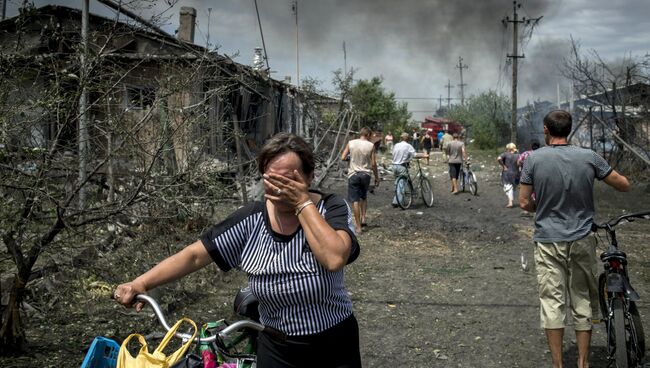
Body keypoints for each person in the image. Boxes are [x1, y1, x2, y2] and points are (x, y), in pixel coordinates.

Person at [113, 133, 362, 368]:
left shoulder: (331, 209)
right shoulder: (252, 219)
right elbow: (195, 254)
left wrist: (301, 202)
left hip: (333, 343)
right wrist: (141, 283)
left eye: (288, 181)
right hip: (276, 344)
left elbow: (333, 257)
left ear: (309, 177)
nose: (278, 189)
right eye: (271, 180)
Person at [519, 110, 630, 368]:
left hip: (548, 240)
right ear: (568, 130)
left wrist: (543, 207)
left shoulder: (533, 160)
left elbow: (524, 202)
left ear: (546, 129)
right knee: (582, 299)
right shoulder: (589, 156)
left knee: (552, 302)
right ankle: (583, 362)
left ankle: (558, 364)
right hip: (582, 238)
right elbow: (623, 184)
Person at [341, 127, 380, 233]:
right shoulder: (371, 146)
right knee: (363, 197)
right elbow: (373, 164)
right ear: (367, 135)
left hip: (353, 174)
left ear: (361, 134)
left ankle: (358, 226)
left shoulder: (351, 143)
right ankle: (363, 218)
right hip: (366, 174)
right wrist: (377, 177)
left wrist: (351, 158)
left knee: (355, 200)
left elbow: (343, 157)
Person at [391, 132, 428, 207]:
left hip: (394, 166)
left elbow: (393, 154)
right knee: (402, 184)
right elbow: (415, 154)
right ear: (407, 138)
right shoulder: (408, 146)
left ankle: (397, 199)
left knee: (397, 183)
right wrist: (424, 155)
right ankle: (396, 202)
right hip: (402, 166)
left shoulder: (396, 145)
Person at [517, 140, 541, 216]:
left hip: (526, 175)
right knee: (537, 191)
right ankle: (538, 209)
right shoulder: (542, 154)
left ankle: (527, 210)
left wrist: (523, 165)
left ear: (531, 146)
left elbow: (518, 162)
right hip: (539, 175)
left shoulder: (526, 153)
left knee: (527, 192)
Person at [497, 142, 519, 208]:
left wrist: (503, 166)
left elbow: (498, 158)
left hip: (507, 173)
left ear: (508, 149)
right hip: (515, 173)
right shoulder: (518, 155)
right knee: (512, 187)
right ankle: (511, 201)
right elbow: (519, 163)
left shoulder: (505, 154)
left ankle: (510, 202)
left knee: (508, 187)